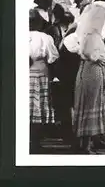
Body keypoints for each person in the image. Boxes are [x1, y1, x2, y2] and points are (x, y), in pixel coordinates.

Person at [71, 4, 105, 154]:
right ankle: (86, 146)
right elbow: (88, 54)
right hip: (92, 72)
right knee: (90, 105)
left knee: (90, 105)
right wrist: (98, 58)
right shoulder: (92, 36)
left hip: (91, 71)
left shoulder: (90, 34)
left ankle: (87, 144)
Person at [29, 9, 59, 153]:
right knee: (38, 106)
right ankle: (35, 141)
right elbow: (53, 56)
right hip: (40, 72)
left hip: (26, 72)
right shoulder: (44, 37)